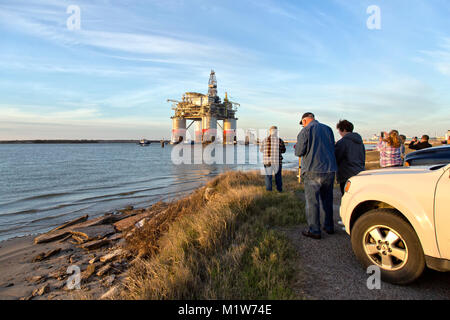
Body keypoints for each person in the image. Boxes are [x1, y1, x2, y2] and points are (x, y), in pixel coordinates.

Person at [295, 112, 337, 240]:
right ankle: (329, 226)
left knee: (312, 202)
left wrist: (297, 147)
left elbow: (299, 152)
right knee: (327, 200)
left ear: (305, 121)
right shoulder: (328, 129)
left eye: (302, 123)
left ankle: (314, 230)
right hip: (329, 169)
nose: (302, 125)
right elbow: (332, 147)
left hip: (313, 169)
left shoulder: (305, 131)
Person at [334, 120, 366, 195]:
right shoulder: (359, 142)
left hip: (346, 175)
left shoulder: (342, 142)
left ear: (344, 130)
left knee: (347, 197)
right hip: (360, 172)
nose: (339, 133)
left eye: (339, 131)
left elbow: (336, 157)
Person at [260, 126, 286, 192]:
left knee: (268, 177)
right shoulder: (280, 140)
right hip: (277, 162)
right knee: (278, 176)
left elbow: (261, 150)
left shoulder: (264, 140)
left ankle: (269, 191)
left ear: (270, 131)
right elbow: (283, 150)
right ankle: (279, 190)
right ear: (276, 132)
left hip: (267, 162)